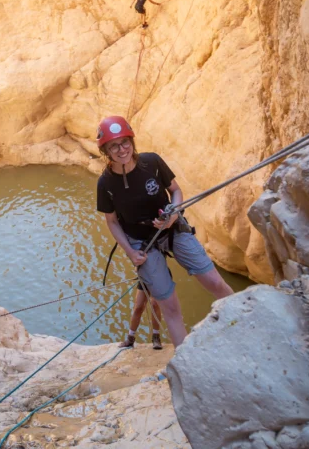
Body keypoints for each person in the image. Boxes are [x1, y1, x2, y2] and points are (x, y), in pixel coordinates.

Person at [95, 115, 233, 347]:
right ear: (106, 151)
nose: (121, 150)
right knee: (169, 305)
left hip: (172, 229)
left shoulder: (151, 163)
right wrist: (129, 251)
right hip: (141, 242)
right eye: (114, 146)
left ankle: (243, 319)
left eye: (125, 142)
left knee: (214, 281)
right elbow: (112, 222)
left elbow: (175, 191)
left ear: (132, 141)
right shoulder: (106, 183)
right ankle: (186, 358)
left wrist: (174, 213)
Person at [119, 281, 166, 349]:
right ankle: (130, 338)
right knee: (138, 307)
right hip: (144, 276)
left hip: (157, 276)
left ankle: (156, 337)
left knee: (155, 304)